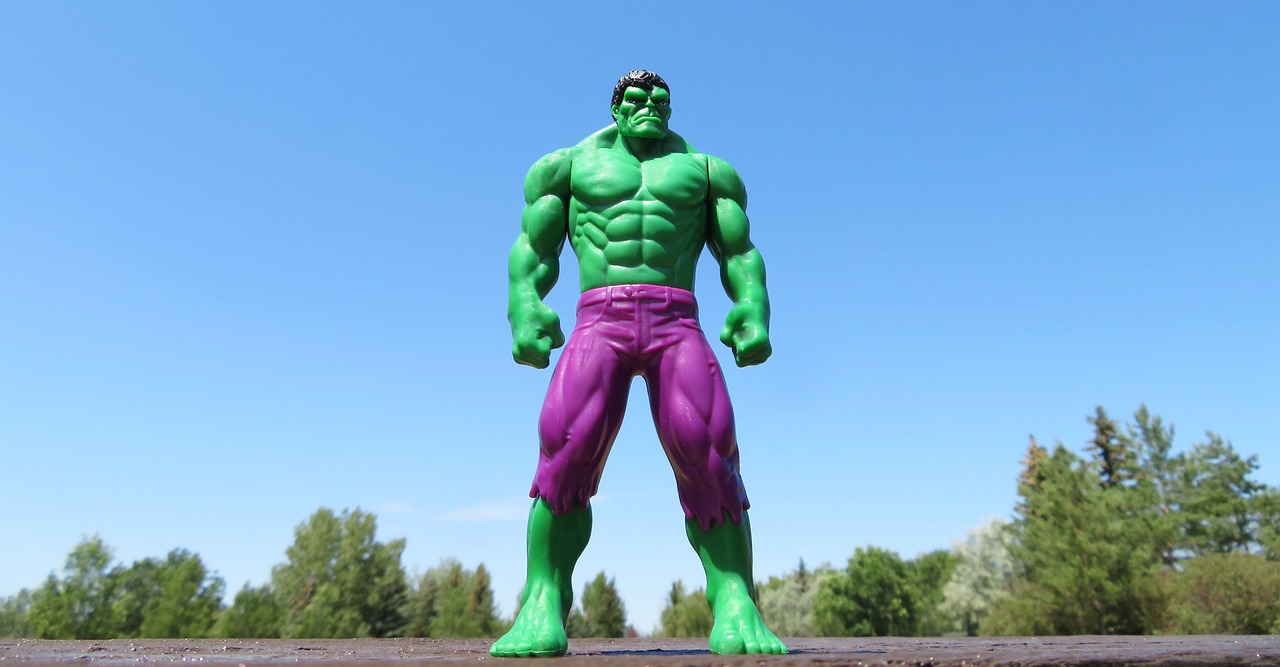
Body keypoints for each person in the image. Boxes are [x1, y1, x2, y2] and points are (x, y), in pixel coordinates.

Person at [491, 70, 785, 657]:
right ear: (616, 107)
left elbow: (739, 252)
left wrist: (752, 309)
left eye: (659, 98)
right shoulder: (568, 166)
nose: (649, 104)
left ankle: (736, 599)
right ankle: (542, 599)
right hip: (600, 319)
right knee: (565, 447)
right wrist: (526, 309)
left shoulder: (706, 171)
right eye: (636, 97)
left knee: (709, 451)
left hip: (677, 320)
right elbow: (533, 249)